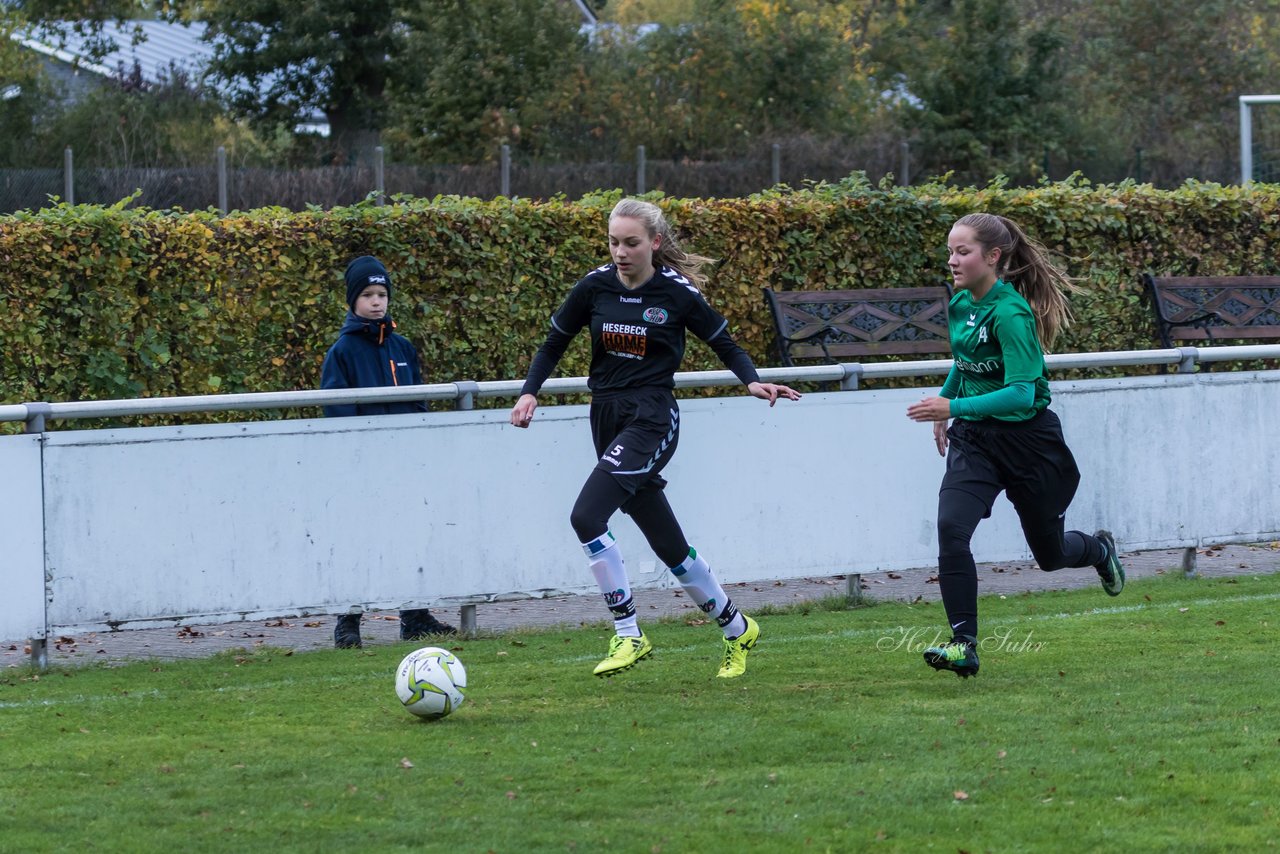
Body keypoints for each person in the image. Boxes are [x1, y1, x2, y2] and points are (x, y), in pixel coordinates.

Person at [510, 198, 801, 679]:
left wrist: (751, 381)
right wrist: (529, 393)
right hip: (605, 414)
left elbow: (723, 341)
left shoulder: (677, 293)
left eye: (631, 242)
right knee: (667, 543)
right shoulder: (594, 287)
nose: (620, 252)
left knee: (586, 515)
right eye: (613, 242)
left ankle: (629, 634)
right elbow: (554, 342)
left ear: (655, 243)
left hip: (652, 417)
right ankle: (737, 627)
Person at [906, 213, 1124, 679]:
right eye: (950, 250)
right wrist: (950, 402)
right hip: (977, 441)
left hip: (1030, 445)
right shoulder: (960, 302)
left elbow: (1024, 392)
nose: (952, 260)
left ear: (993, 257)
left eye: (962, 252)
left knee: (1050, 557)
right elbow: (965, 364)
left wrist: (954, 409)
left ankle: (1099, 551)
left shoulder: (1010, 313)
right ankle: (963, 644)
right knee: (951, 527)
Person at [320, 255, 456, 648]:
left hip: (406, 464)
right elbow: (337, 411)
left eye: (381, 294)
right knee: (359, 541)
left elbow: (418, 403)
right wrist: (355, 456)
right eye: (367, 295)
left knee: (414, 534)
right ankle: (348, 621)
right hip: (363, 467)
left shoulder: (403, 347)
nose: (376, 302)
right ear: (353, 300)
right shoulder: (342, 352)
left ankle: (414, 616)